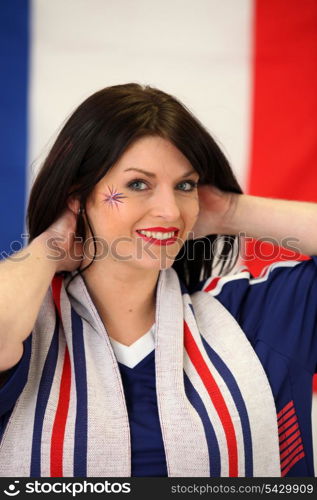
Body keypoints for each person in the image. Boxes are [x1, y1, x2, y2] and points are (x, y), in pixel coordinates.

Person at [0, 83, 316, 478]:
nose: (169, 210)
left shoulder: (254, 317)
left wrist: (230, 209)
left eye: (184, 186)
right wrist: (52, 242)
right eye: (137, 185)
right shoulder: (26, 329)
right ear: (78, 195)